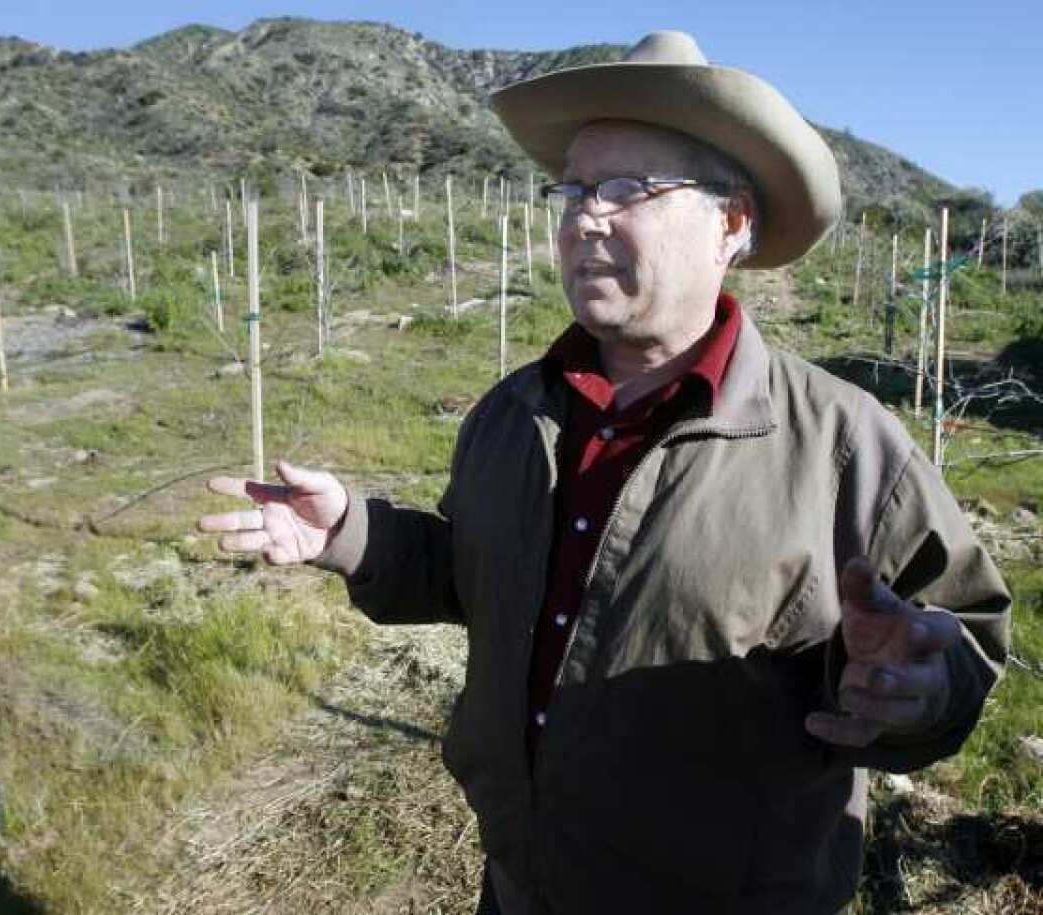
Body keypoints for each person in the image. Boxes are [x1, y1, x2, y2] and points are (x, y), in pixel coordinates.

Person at [198, 31, 1011, 915]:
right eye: (576, 188)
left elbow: (960, 632)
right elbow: (480, 576)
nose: (586, 216)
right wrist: (351, 532)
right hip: (521, 889)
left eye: (628, 188)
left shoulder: (842, 442)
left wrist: (920, 690)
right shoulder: (515, 413)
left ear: (731, 224)